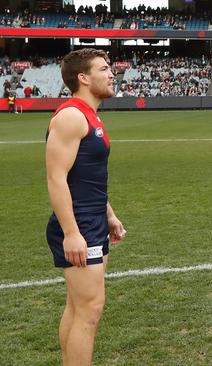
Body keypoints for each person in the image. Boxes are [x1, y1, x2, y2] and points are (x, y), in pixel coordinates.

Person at [45, 48, 126, 366]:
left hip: (91, 220)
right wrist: (71, 233)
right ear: (83, 77)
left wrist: (109, 214)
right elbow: (56, 178)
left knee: (79, 307)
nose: (111, 74)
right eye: (104, 68)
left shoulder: (90, 116)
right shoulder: (71, 116)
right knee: (89, 312)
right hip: (78, 225)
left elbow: (87, 178)